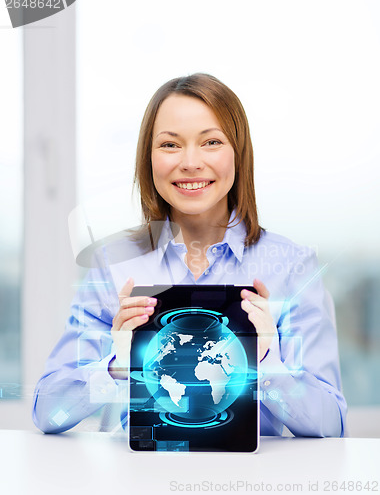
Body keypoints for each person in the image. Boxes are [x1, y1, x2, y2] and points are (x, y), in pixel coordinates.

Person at [32, 73, 347, 437]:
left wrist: (267, 362)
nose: (191, 162)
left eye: (211, 141)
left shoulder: (292, 267)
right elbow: (47, 412)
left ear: (238, 153)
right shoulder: (114, 263)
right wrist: (115, 365)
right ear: (148, 158)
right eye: (170, 145)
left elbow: (332, 426)